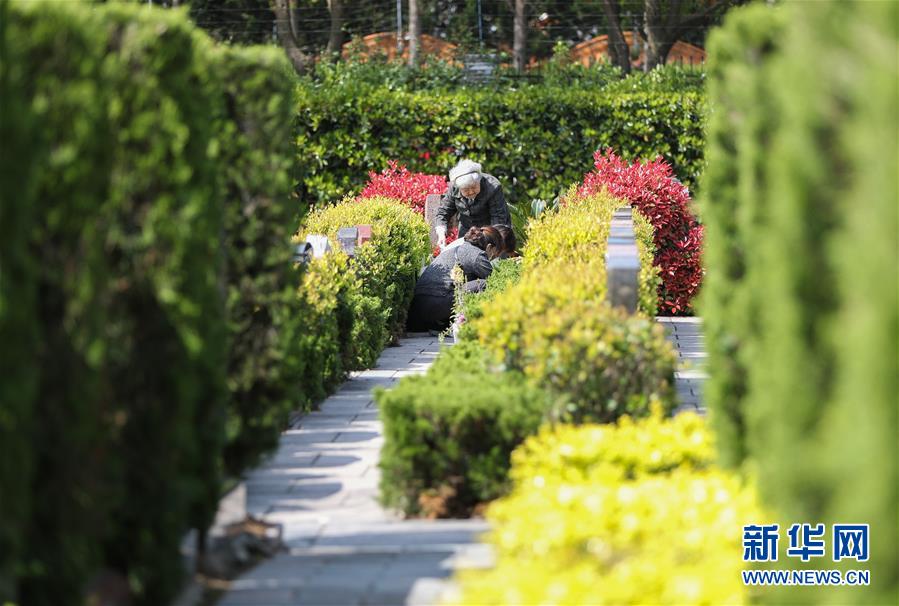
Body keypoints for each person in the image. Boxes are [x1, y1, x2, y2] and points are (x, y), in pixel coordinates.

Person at [407, 226, 503, 332]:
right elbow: (496, 282)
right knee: (484, 284)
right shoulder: (477, 256)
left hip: (419, 306)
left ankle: (441, 324)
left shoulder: (458, 248)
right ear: (489, 247)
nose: (493, 257)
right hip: (436, 303)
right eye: (495, 253)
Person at [435, 160, 511, 250]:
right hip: (466, 231)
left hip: (492, 231)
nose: (471, 192)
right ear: (459, 188)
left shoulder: (493, 187)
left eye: (474, 187)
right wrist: (441, 234)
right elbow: (443, 212)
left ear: (479, 181)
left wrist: (491, 243)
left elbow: (498, 219)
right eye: (466, 189)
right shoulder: (454, 188)